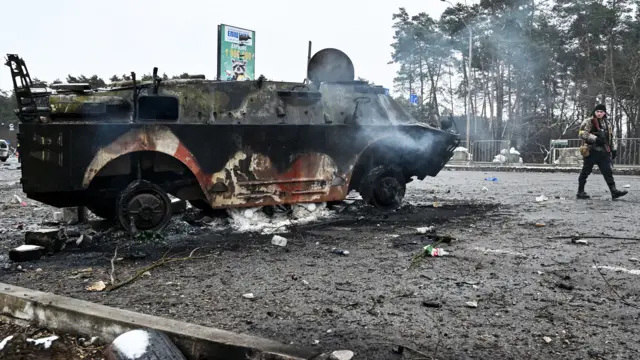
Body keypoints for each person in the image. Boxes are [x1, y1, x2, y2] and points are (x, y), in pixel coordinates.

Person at [577, 104, 627, 200]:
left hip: (603, 152)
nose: (599, 113)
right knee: (585, 172)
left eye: (601, 112)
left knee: (608, 172)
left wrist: (614, 149)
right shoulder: (588, 121)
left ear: (604, 113)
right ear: (594, 112)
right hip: (590, 151)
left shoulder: (607, 123)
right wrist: (595, 138)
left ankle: (614, 191)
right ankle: (580, 191)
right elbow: (581, 133)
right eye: (597, 111)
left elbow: (611, 136)